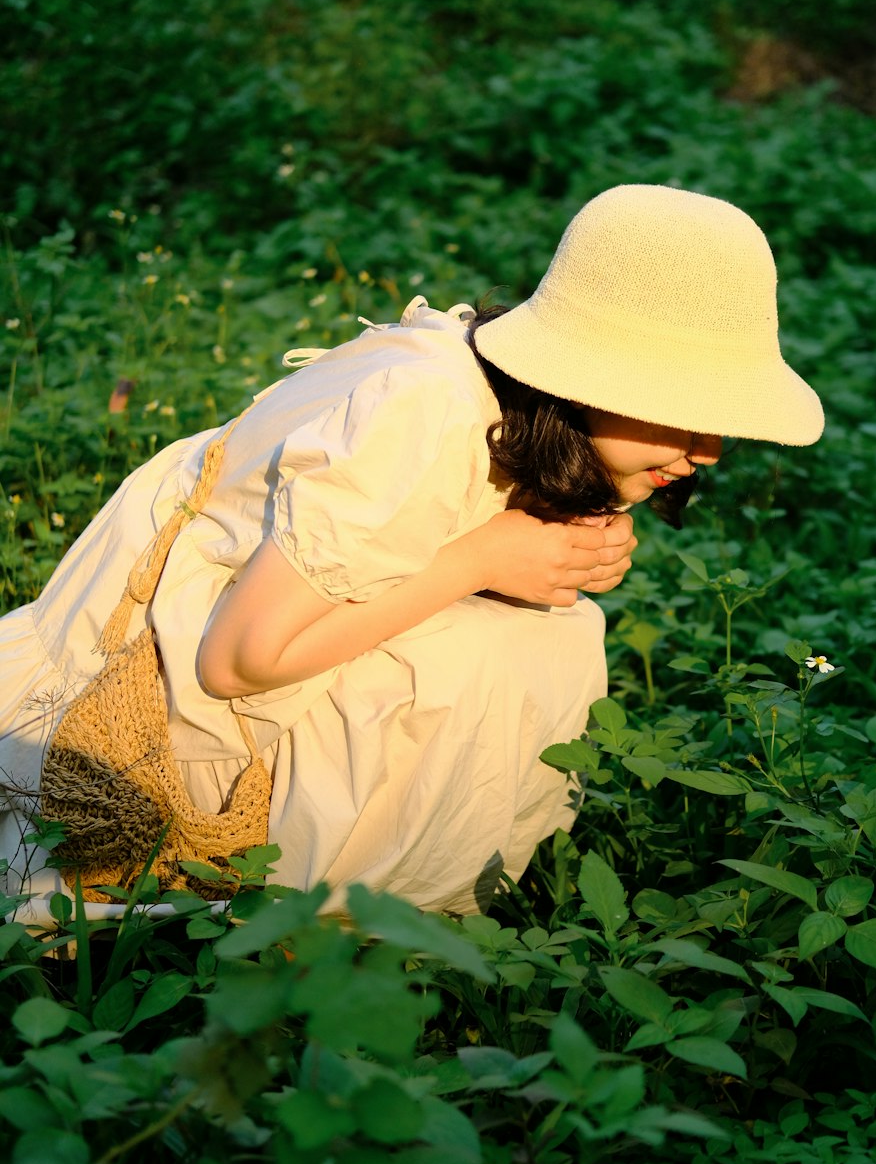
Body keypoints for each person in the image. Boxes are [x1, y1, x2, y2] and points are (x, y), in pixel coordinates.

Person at [0, 184, 823, 915]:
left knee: (533, 626)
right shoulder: (423, 413)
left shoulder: (491, 391)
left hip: (203, 658)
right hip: (164, 707)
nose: (709, 451)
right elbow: (235, 663)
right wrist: (485, 561)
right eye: (688, 411)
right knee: (512, 651)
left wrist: (539, 551)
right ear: (593, 379)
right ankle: (313, 907)